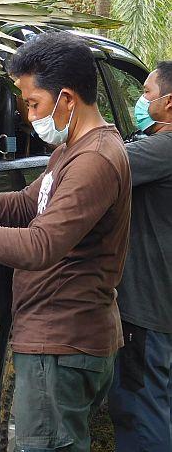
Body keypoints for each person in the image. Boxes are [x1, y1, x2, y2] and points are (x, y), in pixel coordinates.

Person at [0, 32, 132, 452]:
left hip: (64, 340)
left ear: (67, 98)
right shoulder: (71, 149)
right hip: (52, 338)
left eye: (33, 104)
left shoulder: (95, 160)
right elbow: (27, 204)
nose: (29, 116)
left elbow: (39, 246)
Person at [107, 61, 172, 452]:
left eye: (146, 93)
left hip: (146, 306)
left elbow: (97, 164)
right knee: (158, 402)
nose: (140, 101)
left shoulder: (162, 149)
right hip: (161, 305)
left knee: (139, 407)